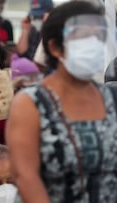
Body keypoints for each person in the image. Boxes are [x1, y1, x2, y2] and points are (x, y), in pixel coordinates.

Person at [6, 1, 117, 202]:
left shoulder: (110, 97)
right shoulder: (30, 104)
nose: (94, 45)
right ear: (55, 47)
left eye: (98, 37)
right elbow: (26, 177)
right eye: (84, 38)